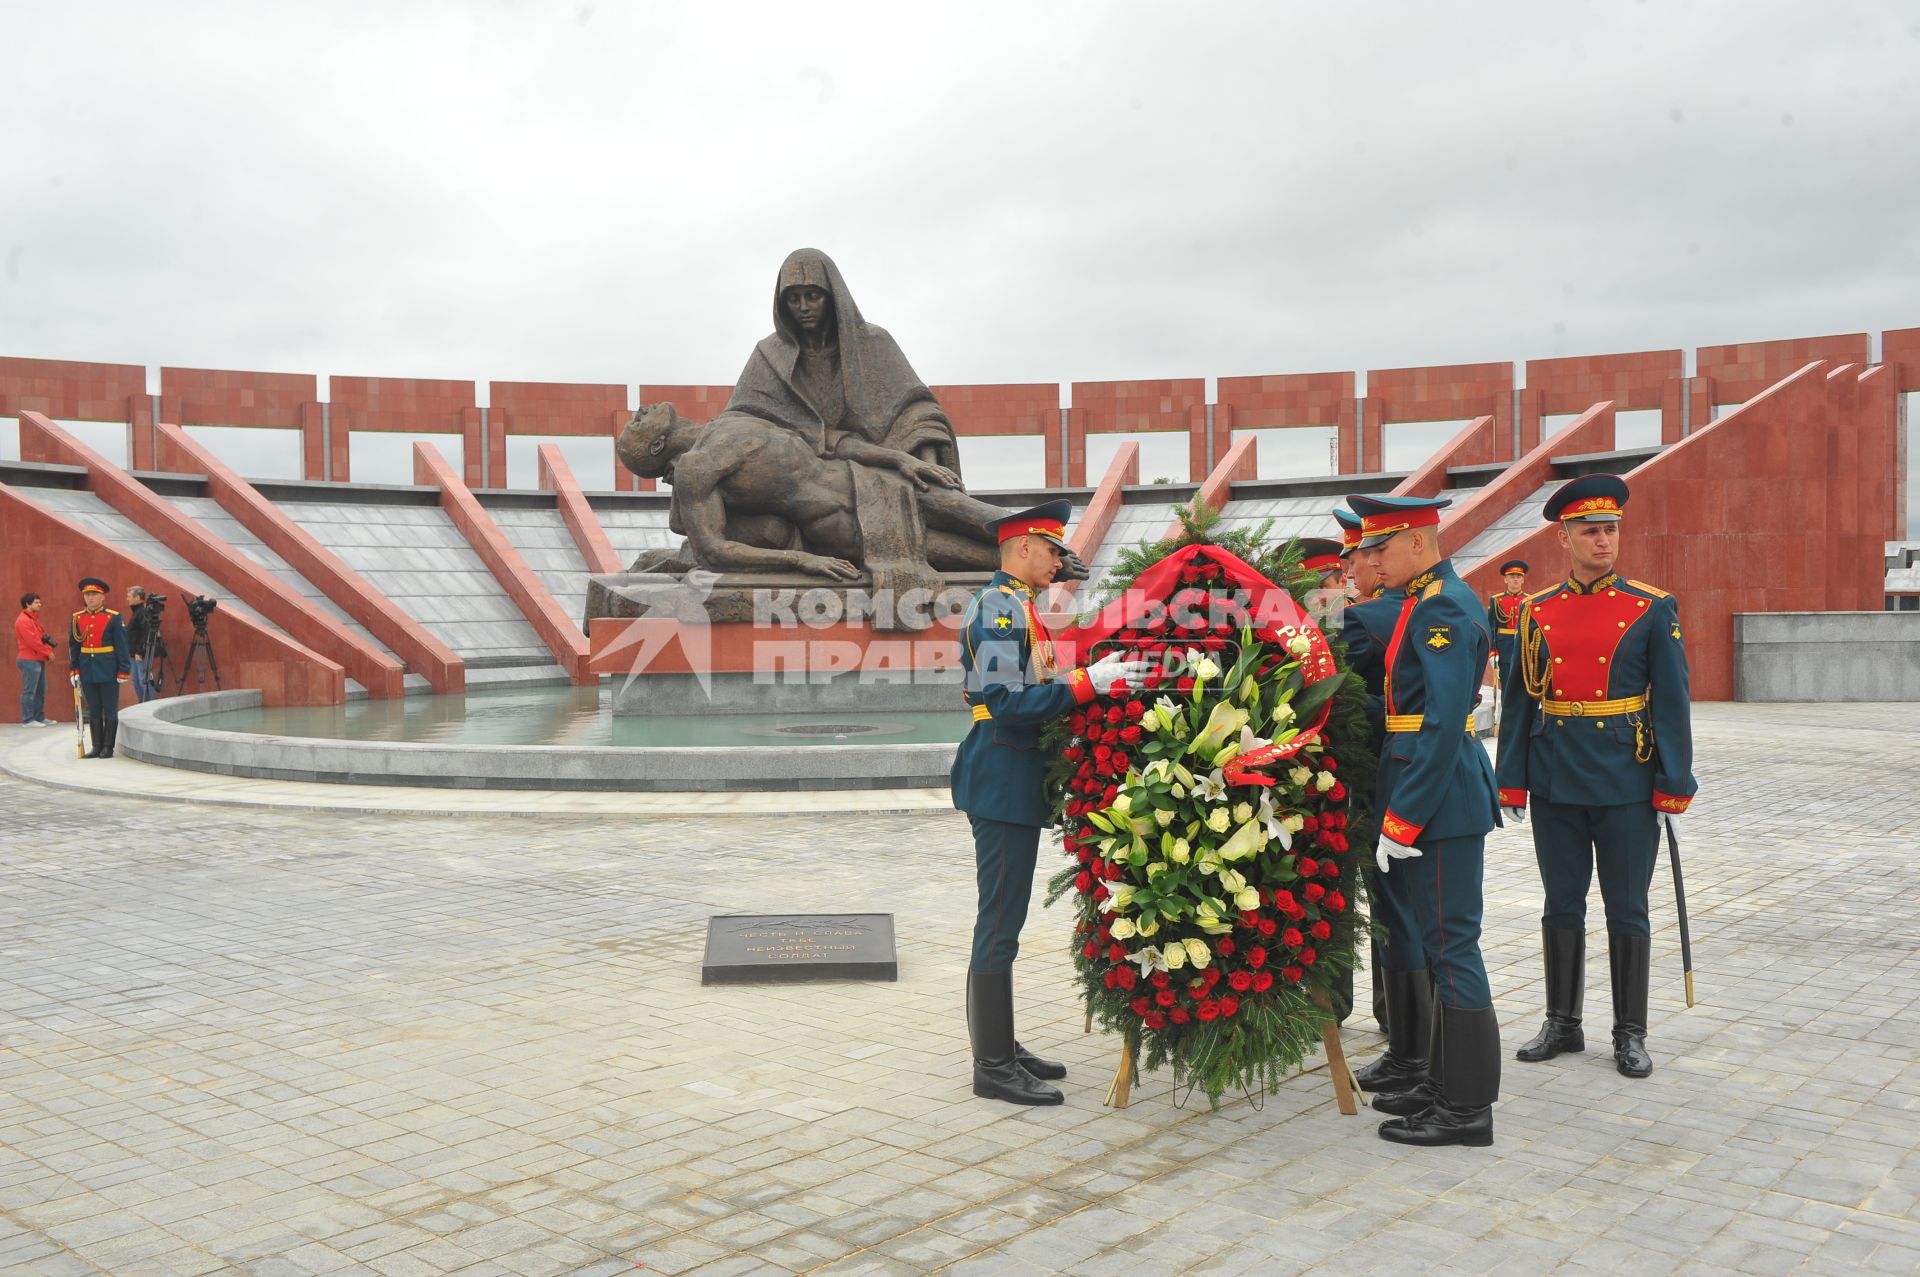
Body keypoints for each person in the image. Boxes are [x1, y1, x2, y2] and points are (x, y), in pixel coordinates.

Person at [1497, 474, 1694, 1080]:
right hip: (1556, 773)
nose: (1604, 541)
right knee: (1560, 903)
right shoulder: (1535, 610)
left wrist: (1674, 781)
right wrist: (1511, 778)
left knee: (1626, 907)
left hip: (1627, 779)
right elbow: (1520, 699)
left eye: (1610, 530)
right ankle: (1563, 1021)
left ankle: (1629, 1032)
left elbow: (1673, 701)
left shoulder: (1651, 607)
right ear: (1566, 537)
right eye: (1591, 531)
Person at [952, 500, 1148, 1106]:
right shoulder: (999, 612)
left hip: (1013, 776)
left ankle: (1002, 1045)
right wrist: (1090, 684)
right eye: (1053, 548)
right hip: (1001, 778)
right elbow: (1008, 702)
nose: (1061, 558)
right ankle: (992, 1065)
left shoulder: (1019, 607)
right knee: (999, 923)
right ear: (1023, 547)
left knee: (1003, 921)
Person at [1349, 493, 1502, 1147]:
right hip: (1427, 790)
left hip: (1438, 799)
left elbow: (1440, 725)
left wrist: (1403, 818)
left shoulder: (1441, 606)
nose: (1371, 560)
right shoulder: (1425, 599)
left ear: (1417, 541)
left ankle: (1467, 1108)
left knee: (1453, 949)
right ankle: (1441, 1082)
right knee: (1442, 948)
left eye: (1381, 547)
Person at [1332, 508, 1424, 1049]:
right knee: (1398, 905)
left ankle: (1392, 1023)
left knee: (1369, 897)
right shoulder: (1418, 608)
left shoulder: (1363, 620)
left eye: (1355, 558)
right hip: (1398, 772)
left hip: (1362, 776)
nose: (1349, 570)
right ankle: (1398, 1017)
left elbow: (1346, 699)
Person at [68, 578, 131, 758]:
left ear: (103, 597)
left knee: (110, 709)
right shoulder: (77, 618)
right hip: (88, 669)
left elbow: (122, 645)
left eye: (94, 594)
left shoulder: (113, 617)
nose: (90, 598)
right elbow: (74, 647)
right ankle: (96, 747)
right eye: (87, 595)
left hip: (109, 669)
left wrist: (124, 670)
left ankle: (108, 747)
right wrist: (74, 670)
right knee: (94, 709)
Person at [14, 593, 55, 726]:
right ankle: (28, 719)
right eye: (36, 602)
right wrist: (48, 651)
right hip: (28, 659)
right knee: (30, 690)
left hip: (37, 658)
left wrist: (47, 649)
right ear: (28, 604)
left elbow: (41, 638)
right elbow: (33, 642)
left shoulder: (33, 619)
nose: (40, 604)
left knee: (41, 690)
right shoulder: (23, 621)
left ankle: (39, 717)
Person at [1486, 560, 1528, 676]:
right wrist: (1493, 652)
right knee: (1506, 684)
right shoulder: (1496, 600)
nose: (1515, 579)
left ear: (1523, 580)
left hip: (1524, 649)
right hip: (1504, 649)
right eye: (1512, 576)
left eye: (1519, 577)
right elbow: (1491, 628)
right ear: (1506, 579)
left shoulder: (1529, 600)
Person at [125, 586, 156, 703]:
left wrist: (140, 651)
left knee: (144, 680)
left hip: (139, 654)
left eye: (129, 596)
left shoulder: (142, 612)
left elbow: (146, 632)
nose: (127, 599)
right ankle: (142, 704)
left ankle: (149, 705)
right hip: (134, 653)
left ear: (137, 597)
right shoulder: (137, 612)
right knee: (137, 681)